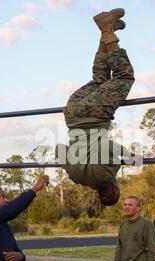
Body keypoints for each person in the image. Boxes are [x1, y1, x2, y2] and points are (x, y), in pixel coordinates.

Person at [56, 8, 141, 207]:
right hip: (72, 113)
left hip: (94, 115)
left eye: (118, 187)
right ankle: (106, 31)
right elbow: (60, 150)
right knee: (101, 79)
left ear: (113, 190)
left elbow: (107, 146)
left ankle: (107, 30)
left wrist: (131, 157)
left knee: (124, 76)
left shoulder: (105, 176)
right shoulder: (78, 178)